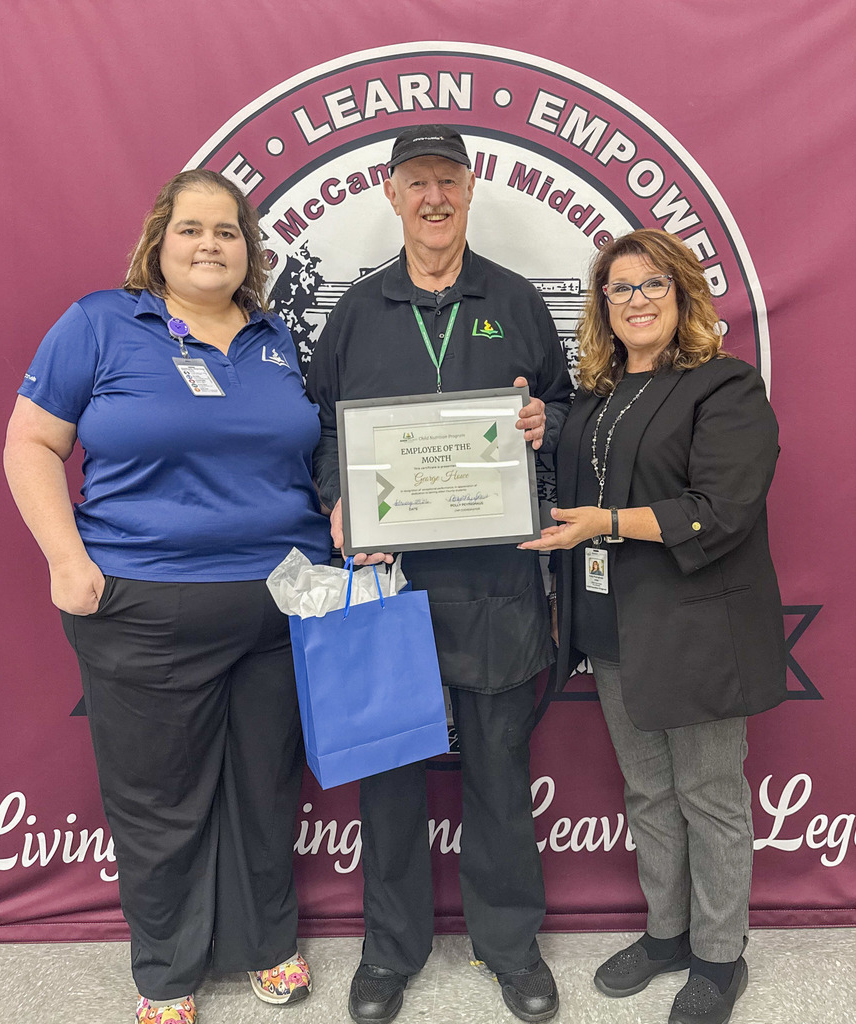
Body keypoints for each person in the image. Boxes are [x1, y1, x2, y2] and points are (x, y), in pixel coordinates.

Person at [3, 169, 330, 1024]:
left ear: (250, 249)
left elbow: (310, 457)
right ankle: (169, 970)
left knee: (266, 787)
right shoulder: (101, 323)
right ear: (159, 240)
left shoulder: (275, 338)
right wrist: (67, 564)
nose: (210, 245)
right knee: (160, 799)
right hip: (142, 609)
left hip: (279, 606)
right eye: (192, 229)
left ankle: (268, 943)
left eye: (227, 230)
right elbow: (31, 442)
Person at [306, 124, 572, 1024]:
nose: (433, 197)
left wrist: (545, 423)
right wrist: (339, 501)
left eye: (447, 181)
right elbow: (319, 433)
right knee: (390, 777)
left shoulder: (520, 301)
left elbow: (564, 407)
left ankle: (510, 949)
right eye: (415, 182)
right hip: (390, 587)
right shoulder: (356, 312)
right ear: (390, 195)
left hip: (496, 583)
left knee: (499, 771)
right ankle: (390, 954)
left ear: (471, 189)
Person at [520, 228, 787, 1024]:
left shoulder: (725, 386)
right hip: (610, 624)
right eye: (620, 288)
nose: (636, 301)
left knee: (708, 793)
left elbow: (722, 510)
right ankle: (667, 933)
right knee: (647, 790)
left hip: (695, 628)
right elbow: (570, 481)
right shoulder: (596, 398)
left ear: (684, 297)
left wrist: (606, 519)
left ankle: (719, 955)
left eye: (652, 286)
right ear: (602, 306)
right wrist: (540, 431)